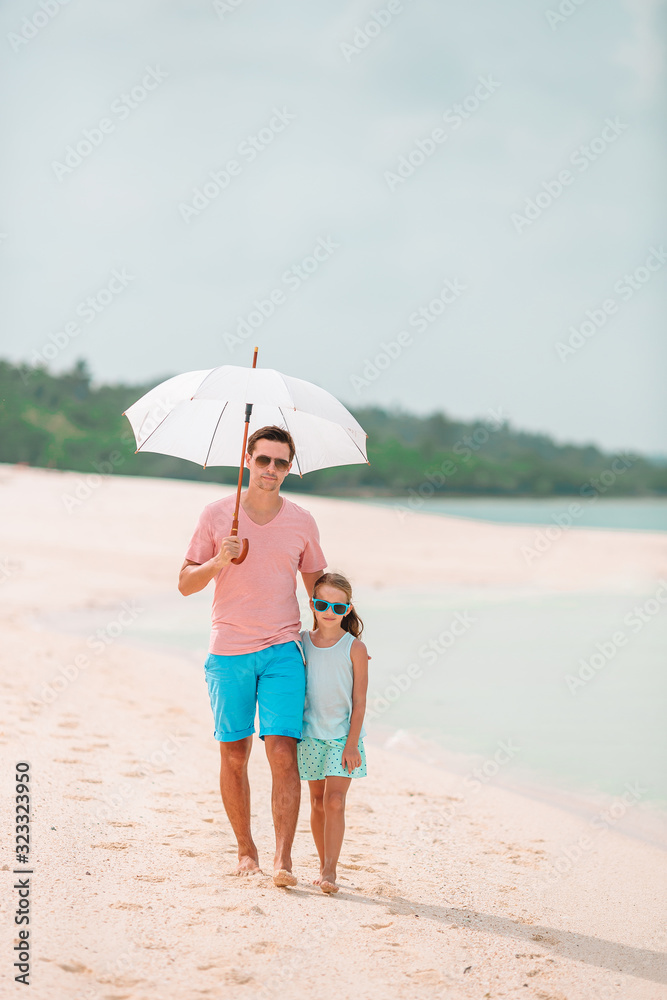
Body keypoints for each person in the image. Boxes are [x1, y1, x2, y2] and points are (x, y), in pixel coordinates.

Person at [178, 425, 326, 888]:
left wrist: (342, 642)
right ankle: (246, 849)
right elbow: (185, 582)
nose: (271, 470)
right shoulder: (217, 514)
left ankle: (283, 859)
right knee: (235, 754)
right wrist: (218, 562)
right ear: (248, 458)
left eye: (281, 463)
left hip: (283, 649)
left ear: (289, 468)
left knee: (283, 752)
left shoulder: (301, 520)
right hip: (229, 652)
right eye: (263, 460)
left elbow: (318, 589)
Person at [297, 572, 368, 894]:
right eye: (322, 604)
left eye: (338, 607)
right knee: (316, 802)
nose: (329, 611)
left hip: (343, 738)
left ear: (348, 609)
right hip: (310, 734)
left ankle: (330, 871)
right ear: (312, 604)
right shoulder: (300, 643)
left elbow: (360, 699)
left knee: (335, 801)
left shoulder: (355, 647)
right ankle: (321, 861)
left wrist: (352, 743)